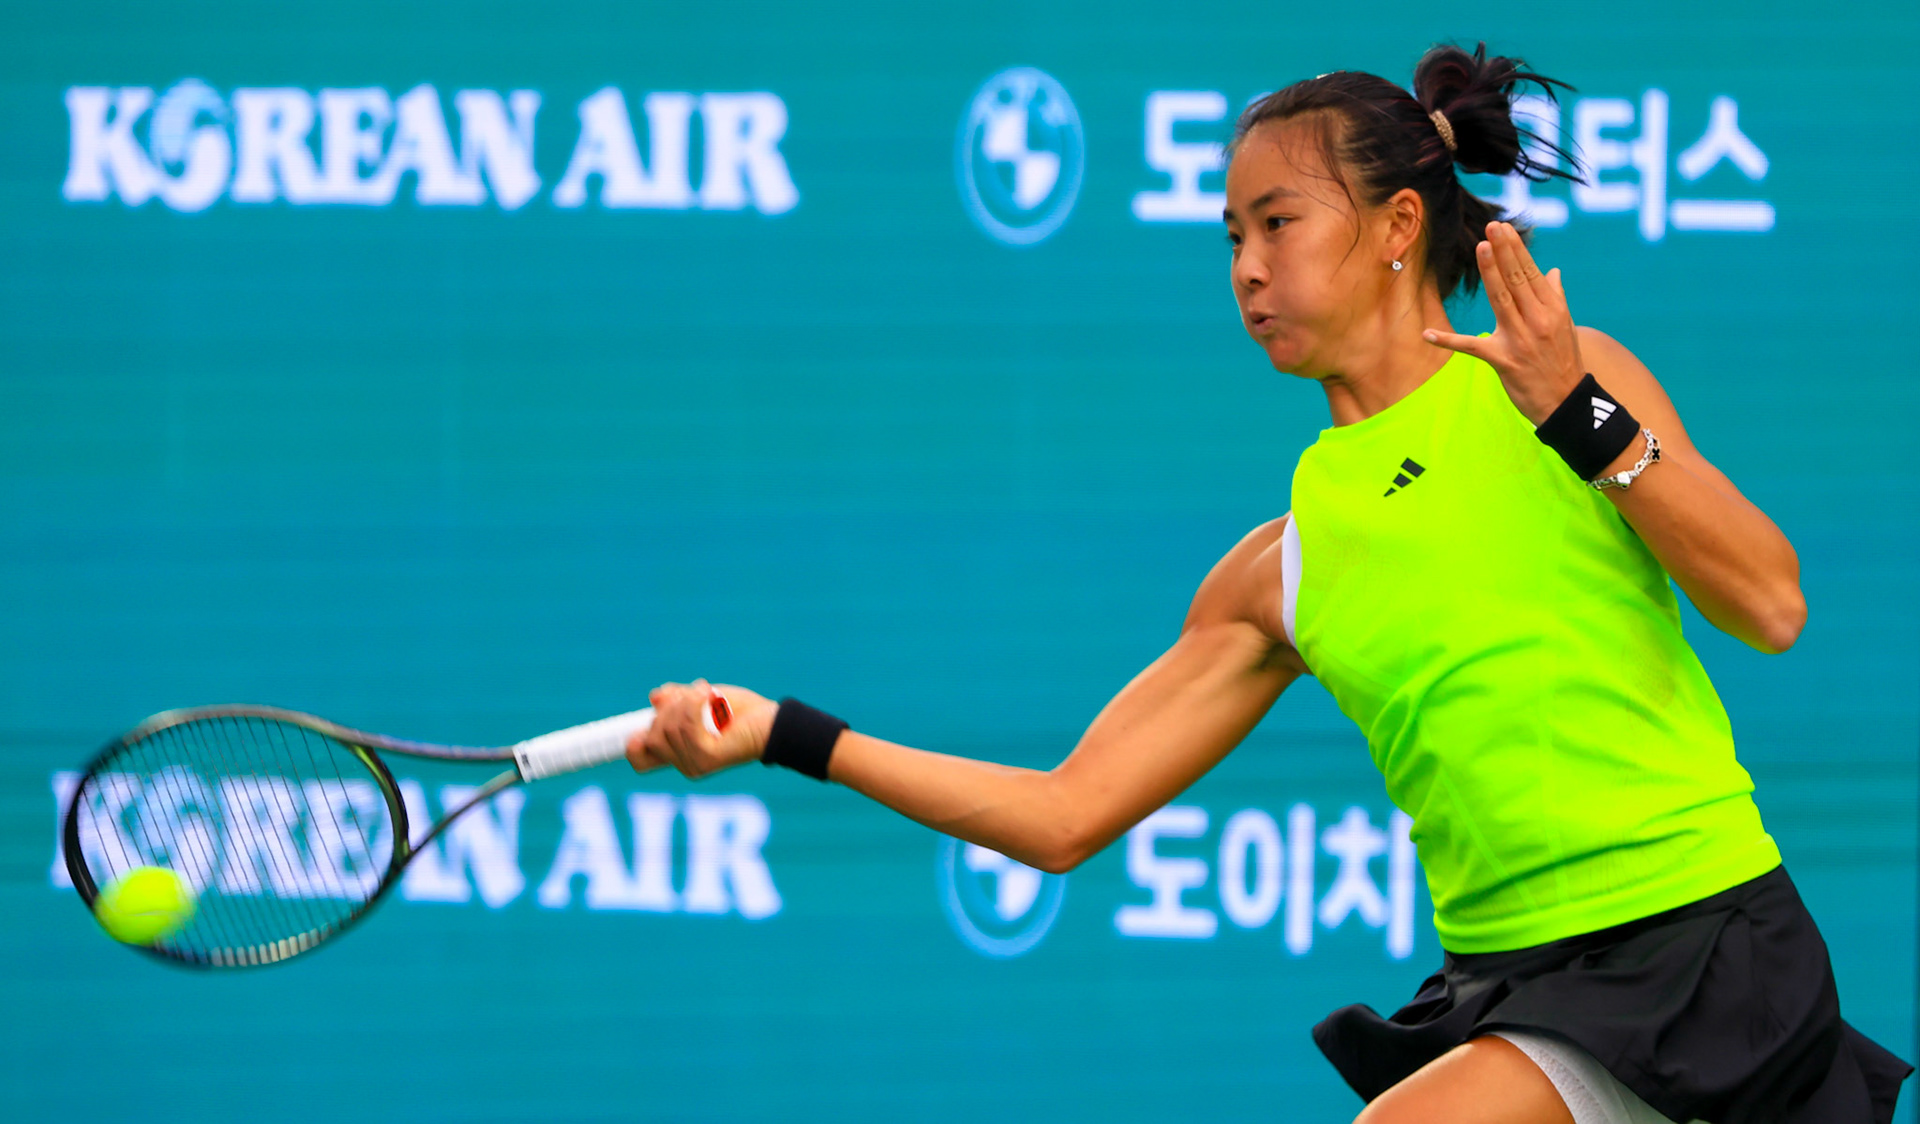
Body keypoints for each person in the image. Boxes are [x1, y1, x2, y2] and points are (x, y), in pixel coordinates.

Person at [628, 42, 1911, 1124]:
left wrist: (1578, 412)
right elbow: (1063, 812)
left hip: (1702, 948)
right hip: (1511, 986)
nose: (1246, 264)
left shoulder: (1567, 390)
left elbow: (1771, 602)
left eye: (1278, 224)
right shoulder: (1277, 572)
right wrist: (791, 734)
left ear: (1400, 226)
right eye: (1231, 234)